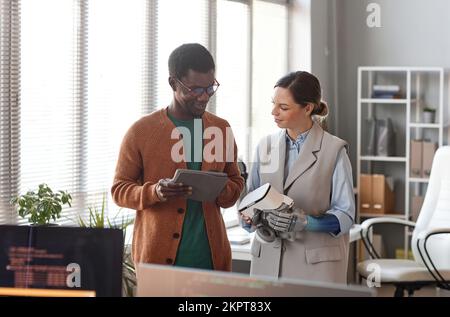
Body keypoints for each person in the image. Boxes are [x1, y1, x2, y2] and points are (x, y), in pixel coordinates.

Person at [112, 43, 244, 271]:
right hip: (157, 262)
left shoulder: (221, 129)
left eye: (210, 88)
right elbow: (119, 190)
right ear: (173, 83)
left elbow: (235, 182)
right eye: (195, 90)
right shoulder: (141, 131)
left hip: (212, 261)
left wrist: (221, 189)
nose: (204, 97)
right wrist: (155, 192)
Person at [240, 71, 355, 283]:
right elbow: (250, 205)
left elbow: (346, 216)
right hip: (268, 263)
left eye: (283, 107)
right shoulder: (264, 147)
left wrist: (303, 222)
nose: (274, 112)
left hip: (314, 268)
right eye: (273, 104)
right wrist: (247, 218)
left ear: (308, 108)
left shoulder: (334, 150)